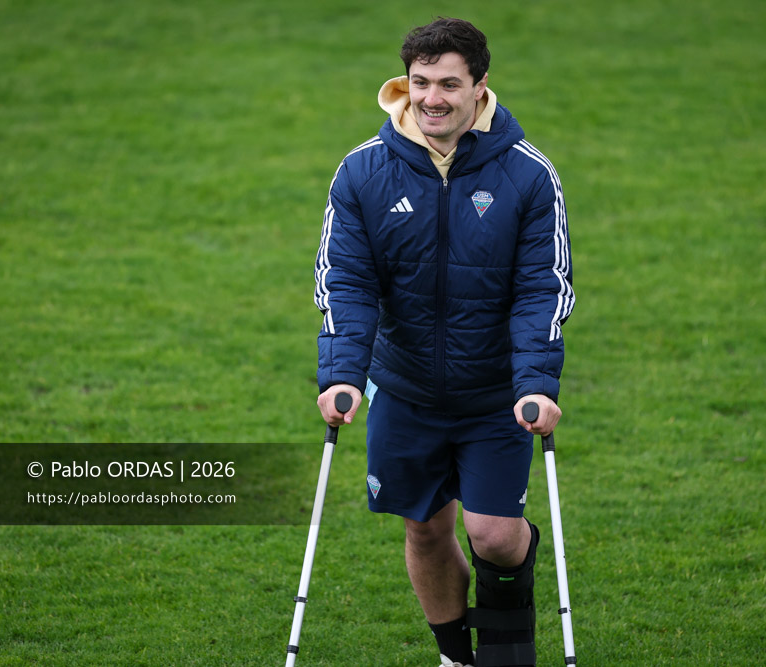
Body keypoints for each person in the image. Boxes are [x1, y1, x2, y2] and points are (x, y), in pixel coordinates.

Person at [313, 17, 573, 667]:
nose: (431, 98)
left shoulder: (529, 175)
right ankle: (459, 657)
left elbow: (544, 288)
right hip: (404, 388)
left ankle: (510, 636)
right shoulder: (362, 172)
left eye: (448, 84)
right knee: (425, 530)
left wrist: (535, 383)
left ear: (480, 87)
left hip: (495, 396)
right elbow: (345, 280)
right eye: (421, 82)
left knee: (494, 535)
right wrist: (343, 374)